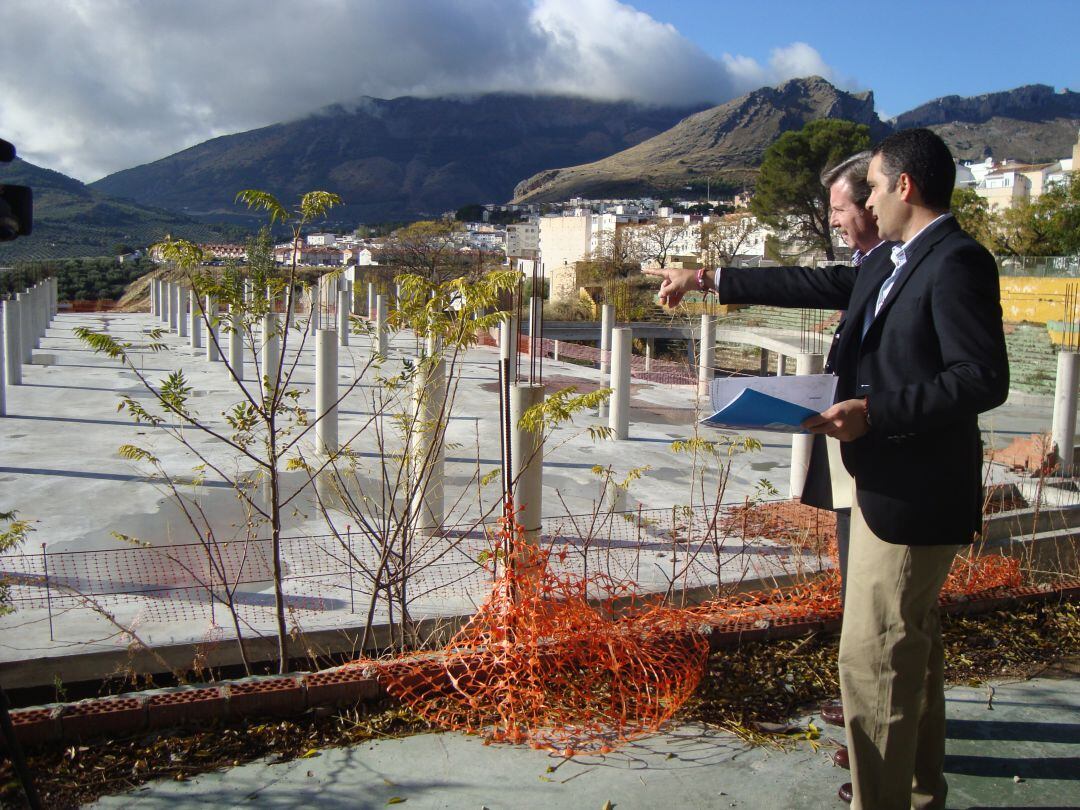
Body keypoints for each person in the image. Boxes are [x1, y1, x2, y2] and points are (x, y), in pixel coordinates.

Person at [646, 128, 1009, 809]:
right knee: (911, 649)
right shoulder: (897, 259)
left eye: (872, 186)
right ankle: (922, 792)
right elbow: (815, 280)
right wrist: (706, 278)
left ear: (905, 186)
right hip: (880, 482)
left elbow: (983, 378)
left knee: (871, 662)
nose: (865, 201)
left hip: (911, 492)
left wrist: (875, 412)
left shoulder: (956, 262)